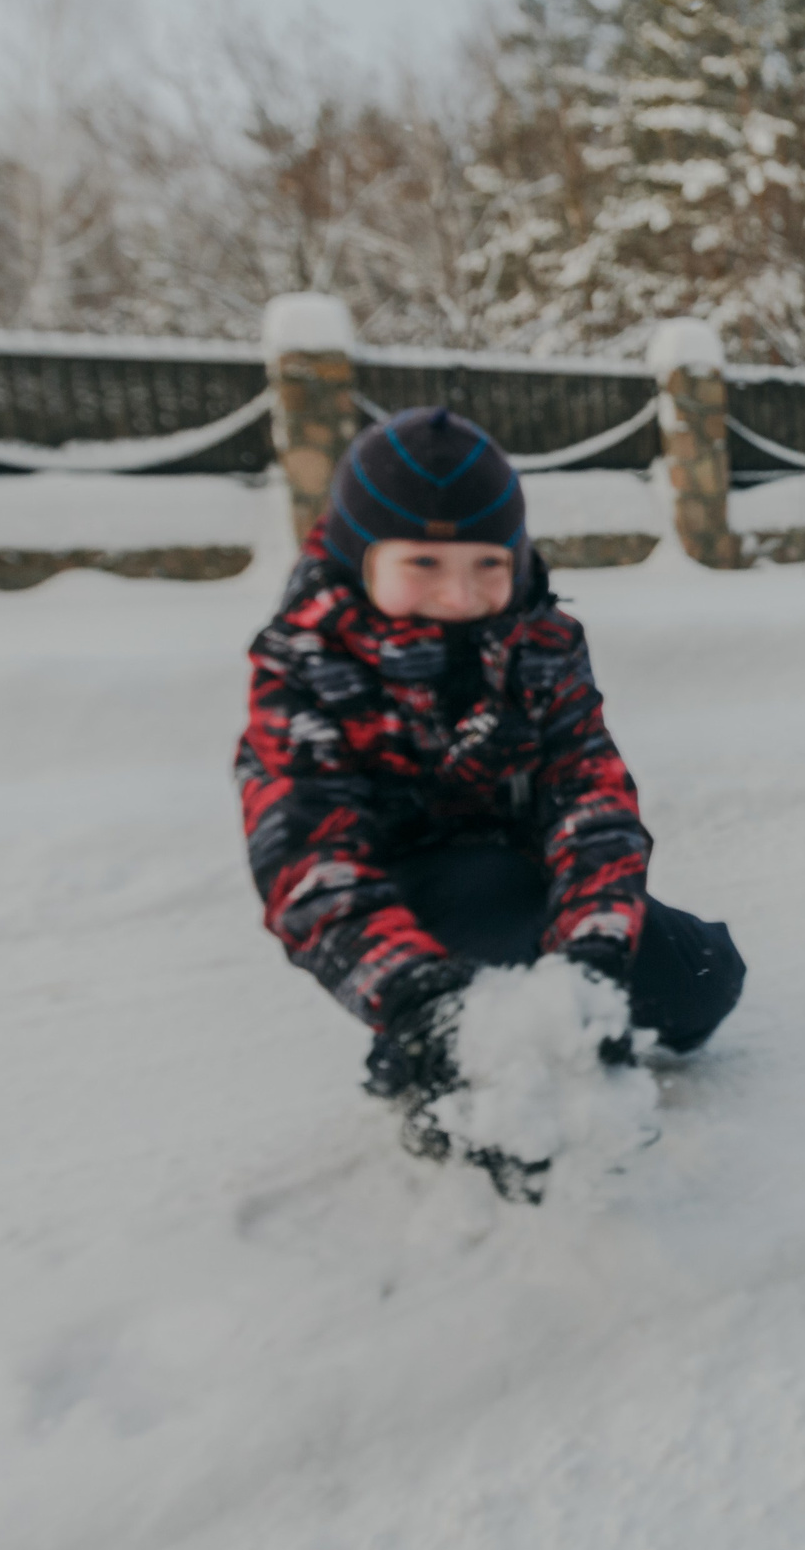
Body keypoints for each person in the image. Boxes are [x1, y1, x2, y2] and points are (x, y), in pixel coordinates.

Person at [237, 406, 743, 1202]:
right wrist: (416, 999)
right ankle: (435, 1055)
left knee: (703, 979)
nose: (460, 593)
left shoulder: (539, 642)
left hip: (525, 876)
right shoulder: (307, 663)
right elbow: (309, 859)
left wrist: (594, 957)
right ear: (357, 556)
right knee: (492, 1026)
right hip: (410, 902)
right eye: (423, 563)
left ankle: (546, 993)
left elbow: (592, 798)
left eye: (486, 562)